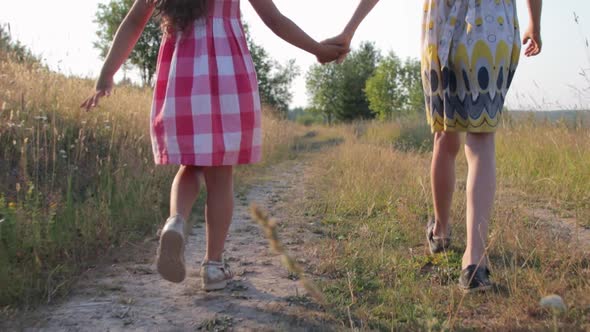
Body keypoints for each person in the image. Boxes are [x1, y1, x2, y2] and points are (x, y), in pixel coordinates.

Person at [81, 0, 347, 291]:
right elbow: (275, 20)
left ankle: (175, 222)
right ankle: (213, 266)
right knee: (220, 176)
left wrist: (106, 74)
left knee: (190, 165)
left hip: (181, 77)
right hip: (227, 74)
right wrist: (318, 50)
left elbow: (134, 22)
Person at [324, 0, 543, 293]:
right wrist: (535, 23)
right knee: (481, 138)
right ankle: (474, 263)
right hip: (493, 24)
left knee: (445, 134)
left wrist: (349, 30)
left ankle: (440, 232)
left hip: (440, 25)